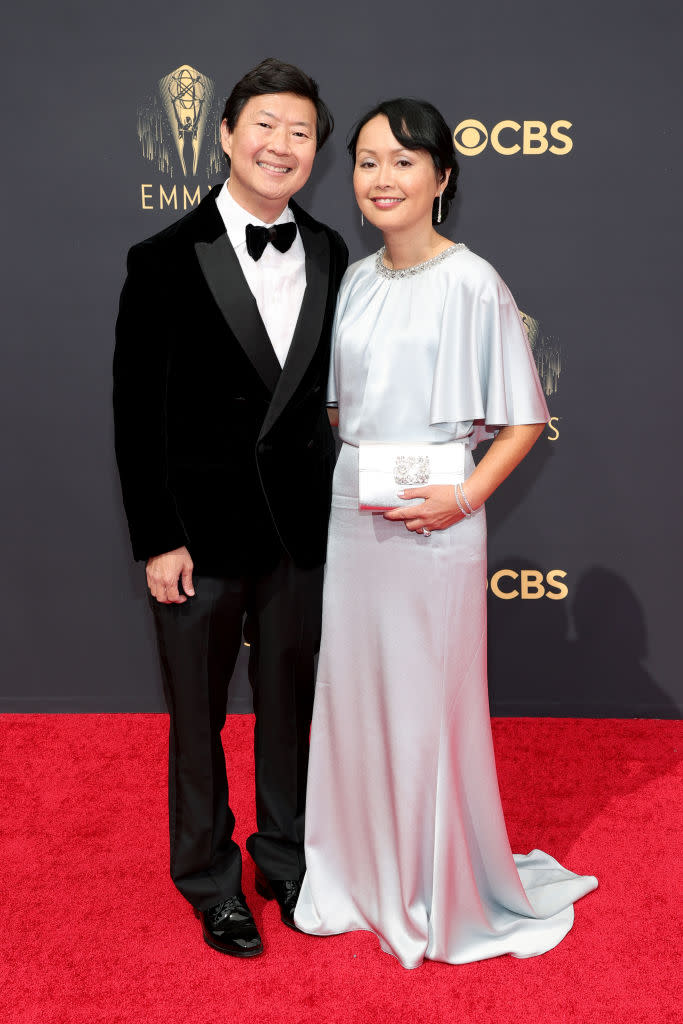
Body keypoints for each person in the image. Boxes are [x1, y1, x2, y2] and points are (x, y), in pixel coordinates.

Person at [294, 98, 597, 967]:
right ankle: (357, 871)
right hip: (356, 514)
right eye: (366, 161)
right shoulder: (353, 279)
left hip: (438, 524)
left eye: (402, 160)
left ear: (441, 178)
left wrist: (460, 500)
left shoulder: (473, 280)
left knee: (427, 707)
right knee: (354, 697)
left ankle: (433, 883)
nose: (381, 177)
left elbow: (522, 419)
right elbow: (337, 407)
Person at [113, 58, 348, 958]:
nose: (281, 145)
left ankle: (282, 857)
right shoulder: (162, 259)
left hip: (298, 533)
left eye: (299, 133)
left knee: (291, 706)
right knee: (197, 717)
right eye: (265, 127)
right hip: (197, 538)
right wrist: (157, 535)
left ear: (315, 152)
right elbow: (135, 411)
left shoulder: (328, 250)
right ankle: (209, 880)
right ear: (224, 135)